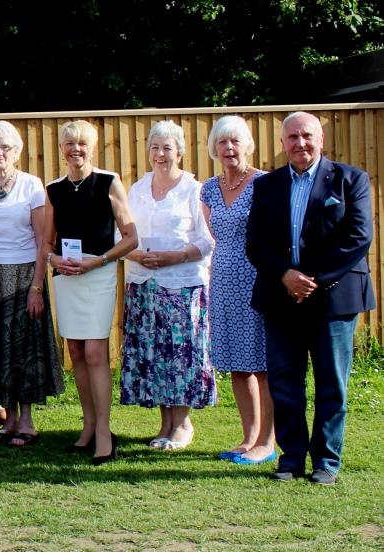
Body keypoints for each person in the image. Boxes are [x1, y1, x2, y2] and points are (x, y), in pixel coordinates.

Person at [246, 111, 375, 486]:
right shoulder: (266, 185)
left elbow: (358, 236)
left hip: (333, 298)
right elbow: (255, 241)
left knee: (331, 384)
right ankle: (291, 460)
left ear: (321, 138)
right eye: (292, 137)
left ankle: (326, 462)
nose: (299, 143)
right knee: (285, 384)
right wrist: (285, 275)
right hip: (279, 295)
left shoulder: (351, 180)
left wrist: (312, 279)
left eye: (306, 135)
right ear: (283, 142)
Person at [42, 120, 138, 465]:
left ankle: (104, 432)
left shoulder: (110, 182)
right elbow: (47, 243)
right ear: (61, 149)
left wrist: (98, 261)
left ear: (92, 148)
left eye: (82, 144)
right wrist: (54, 260)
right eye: (69, 143)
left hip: (98, 275)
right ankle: (88, 424)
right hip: (66, 276)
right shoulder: (53, 189)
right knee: (77, 352)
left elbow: (131, 238)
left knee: (96, 352)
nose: (75, 149)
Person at [0, 122, 64, 447]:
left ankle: (28, 422)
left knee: (24, 347)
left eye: (5, 147)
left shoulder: (32, 186)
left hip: (24, 277)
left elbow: (43, 241)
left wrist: (37, 286)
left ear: (16, 151)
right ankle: (8, 422)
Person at [120, 120, 217, 451]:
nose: (160, 154)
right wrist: (135, 255)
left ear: (180, 152)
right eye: (154, 148)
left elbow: (206, 241)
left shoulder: (194, 189)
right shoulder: (136, 189)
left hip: (182, 285)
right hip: (143, 283)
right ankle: (164, 423)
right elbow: (123, 236)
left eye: (167, 148)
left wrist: (174, 257)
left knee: (180, 356)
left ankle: (182, 423)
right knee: (154, 355)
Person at [200, 115, 274, 464]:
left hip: (258, 279)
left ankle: (267, 441)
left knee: (261, 363)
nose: (229, 148)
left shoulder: (265, 183)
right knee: (237, 365)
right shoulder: (209, 188)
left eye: (235, 141)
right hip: (222, 281)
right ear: (214, 148)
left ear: (248, 145)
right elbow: (210, 234)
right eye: (222, 142)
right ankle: (248, 438)